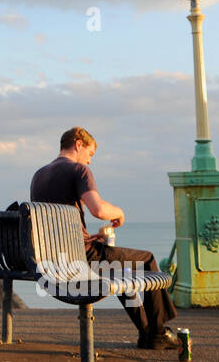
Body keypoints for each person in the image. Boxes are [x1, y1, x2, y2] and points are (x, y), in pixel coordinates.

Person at [29, 127, 180, 349]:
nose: (89, 162)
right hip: (80, 259)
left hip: (53, 259)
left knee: (121, 268)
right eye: (90, 154)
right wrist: (119, 213)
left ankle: (148, 331)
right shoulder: (78, 170)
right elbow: (98, 210)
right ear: (78, 144)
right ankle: (158, 332)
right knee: (147, 260)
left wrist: (88, 238)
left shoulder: (39, 175)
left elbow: (53, 227)